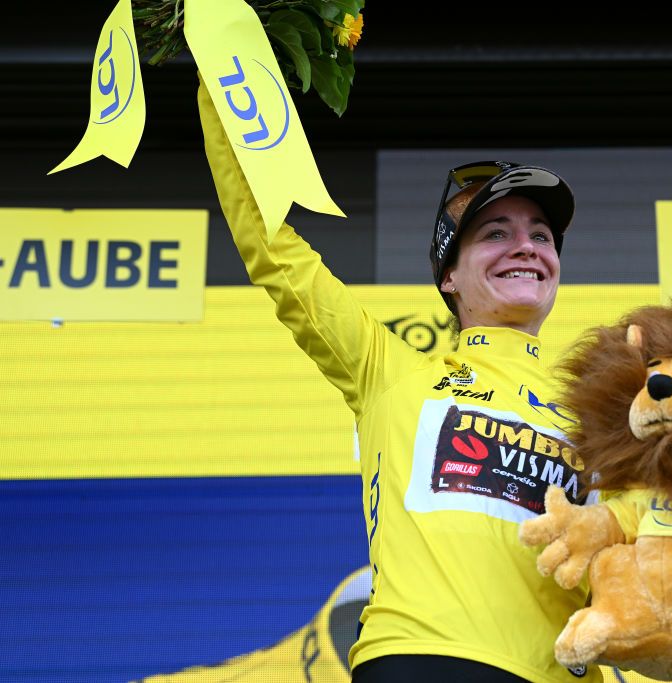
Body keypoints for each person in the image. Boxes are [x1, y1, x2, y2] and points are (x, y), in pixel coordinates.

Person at [140, 76, 603, 683]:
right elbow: (273, 249)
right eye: (496, 233)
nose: (527, 247)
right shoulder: (390, 370)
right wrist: (218, 80)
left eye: (541, 236)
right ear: (449, 278)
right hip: (416, 661)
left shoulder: (601, 414)